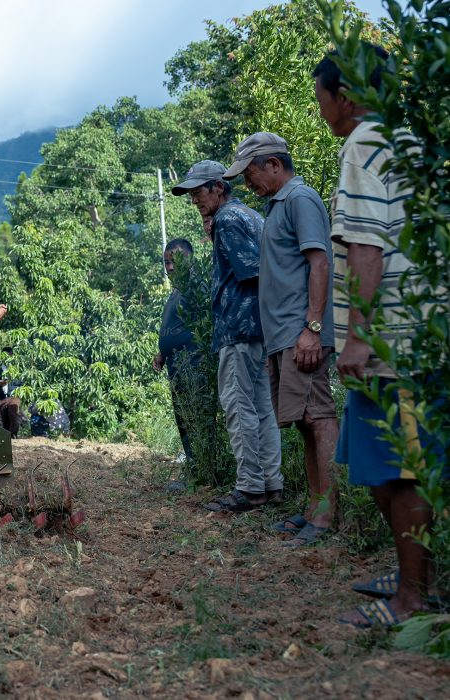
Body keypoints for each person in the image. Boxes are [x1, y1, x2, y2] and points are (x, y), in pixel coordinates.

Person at [313, 49, 439, 626]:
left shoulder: (364, 143)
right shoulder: (411, 142)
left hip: (391, 341)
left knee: (397, 470)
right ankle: (415, 576)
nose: (321, 110)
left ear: (344, 96)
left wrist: (359, 336)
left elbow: (367, 246)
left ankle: (412, 599)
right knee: (386, 467)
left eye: (321, 97)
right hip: (421, 335)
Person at [224, 133, 340, 547]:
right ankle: (313, 507)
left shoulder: (300, 200)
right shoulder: (276, 207)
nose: (248, 182)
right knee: (304, 425)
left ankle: (326, 515)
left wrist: (311, 328)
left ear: (273, 164)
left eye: (251, 172)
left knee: (317, 417)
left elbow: (319, 262)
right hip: (284, 338)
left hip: (299, 334)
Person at [171, 161, 282, 512]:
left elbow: (251, 269)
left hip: (238, 327)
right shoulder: (249, 216)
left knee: (238, 406)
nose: (195, 200)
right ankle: (271, 483)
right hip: (260, 327)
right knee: (262, 407)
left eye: (199, 191)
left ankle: (250, 487)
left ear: (219, 187)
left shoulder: (228, 220)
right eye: (191, 194)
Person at [152, 238, 201, 463]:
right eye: (166, 263)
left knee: (195, 416)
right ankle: (193, 464)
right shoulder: (176, 292)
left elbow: (202, 324)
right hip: (176, 366)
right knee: (183, 417)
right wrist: (163, 352)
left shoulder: (196, 287)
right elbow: (175, 326)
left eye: (174, 262)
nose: (170, 267)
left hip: (193, 365)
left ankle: (202, 468)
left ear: (188, 259)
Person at [0, 347, 22, 438]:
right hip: (2, 395)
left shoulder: (17, 367)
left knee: (13, 413)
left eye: (10, 355)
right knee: (4, 415)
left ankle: (14, 434)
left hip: (14, 394)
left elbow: (22, 381)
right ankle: (7, 435)